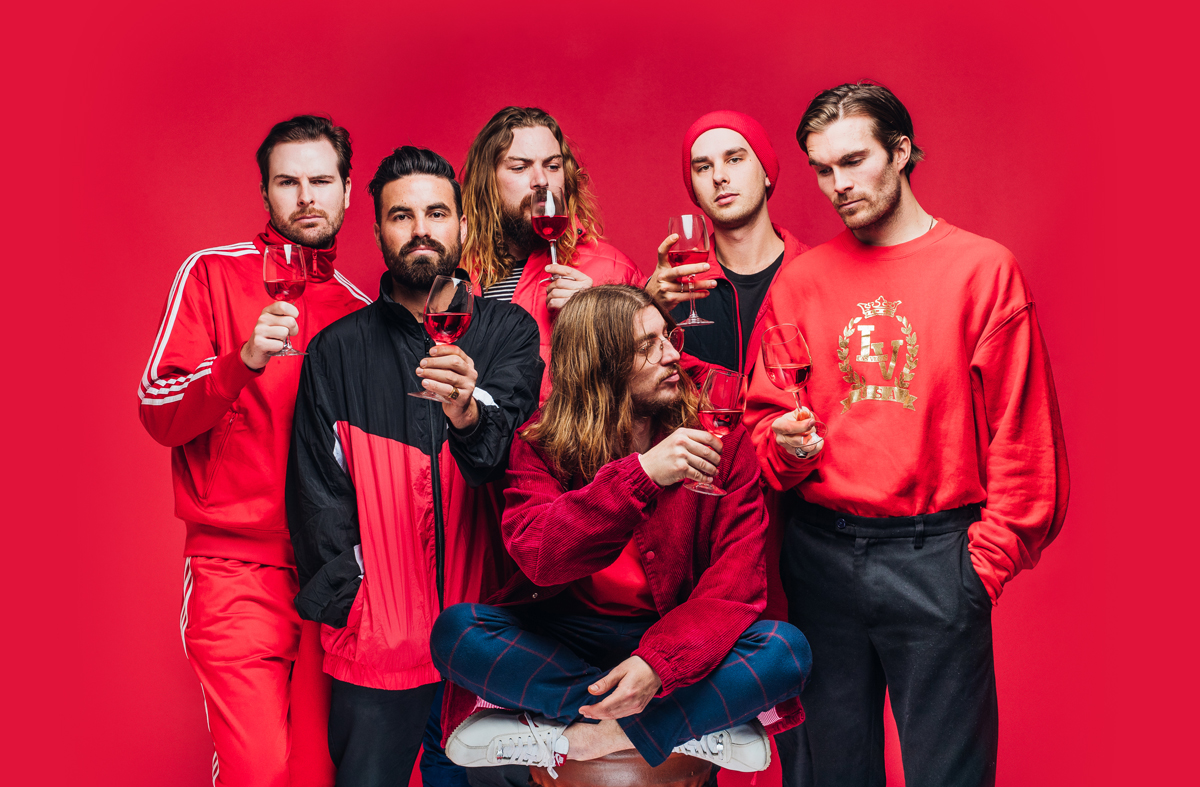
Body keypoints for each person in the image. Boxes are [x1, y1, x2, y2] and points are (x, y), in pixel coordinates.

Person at [743, 82, 1069, 787]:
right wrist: (784, 446)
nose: (838, 184)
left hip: (937, 559)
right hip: (820, 557)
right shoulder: (801, 283)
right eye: (822, 169)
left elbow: (1026, 441)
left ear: (901, 152)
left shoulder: (983, 271)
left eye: (853, 161)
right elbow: (762, 424)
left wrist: (980, 571)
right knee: (826, 774)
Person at [429, 285, 812, 777]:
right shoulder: (541, 442)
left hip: (675, 628)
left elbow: (735, 586)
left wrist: (658, 664)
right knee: (457, 633)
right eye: (648, 346)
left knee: (785, 651)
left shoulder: (718, 432)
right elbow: (539, 556)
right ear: (601, 366)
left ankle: (579, 735)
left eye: (668, 337)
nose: (672, 355)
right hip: (568, 637)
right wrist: (643, 475)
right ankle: (686, 722)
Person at [286, 146, 542, 787]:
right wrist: (357, 607)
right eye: (401, 216)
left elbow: (504, 464)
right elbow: (316, 498)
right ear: (378, 230)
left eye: (437, 213)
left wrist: (467, 411)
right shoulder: (335, 350)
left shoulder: (509, 331)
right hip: (378, 645)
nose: (420, 229)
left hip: (489, 638)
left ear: (462, 225)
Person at [138, 115, 370, 787]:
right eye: (287, 182)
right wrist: (240, 362)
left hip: (334, 575)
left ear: (347, 190)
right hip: (234, 567)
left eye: (321, 180)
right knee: (259, 771)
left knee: (319, 772)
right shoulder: (212, 273)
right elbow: (157, 410)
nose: (306, 196)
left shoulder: (361, 311)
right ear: (265, 192)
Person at [460, 106, 643, 401]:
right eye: (519, 168)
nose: (541, 180)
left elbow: (660, 383)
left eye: (553, 166)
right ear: (487, 181)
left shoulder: (615, 270)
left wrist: (597, 318)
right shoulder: (456, 272)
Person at [645, 110, 809, 378]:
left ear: (766, 172)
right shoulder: (669, 289)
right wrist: (647, 308)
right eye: (703, 167)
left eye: (734, 159)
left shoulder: (815, 274)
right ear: (694, 190)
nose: (718, 176)